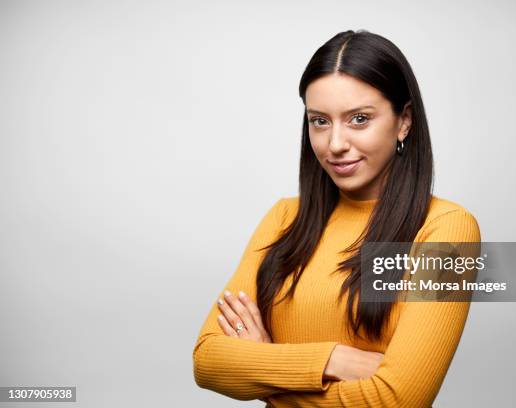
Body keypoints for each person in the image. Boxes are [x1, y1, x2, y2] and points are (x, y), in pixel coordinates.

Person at [192, 29, 481, 407]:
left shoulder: (447, 229)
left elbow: (399, 401)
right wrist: (333, 359)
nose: (335, 144)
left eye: (359, 119)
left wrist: (266, 366)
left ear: (404, 121)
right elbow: (209, 361)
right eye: (320, 121)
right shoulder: (284, 218)